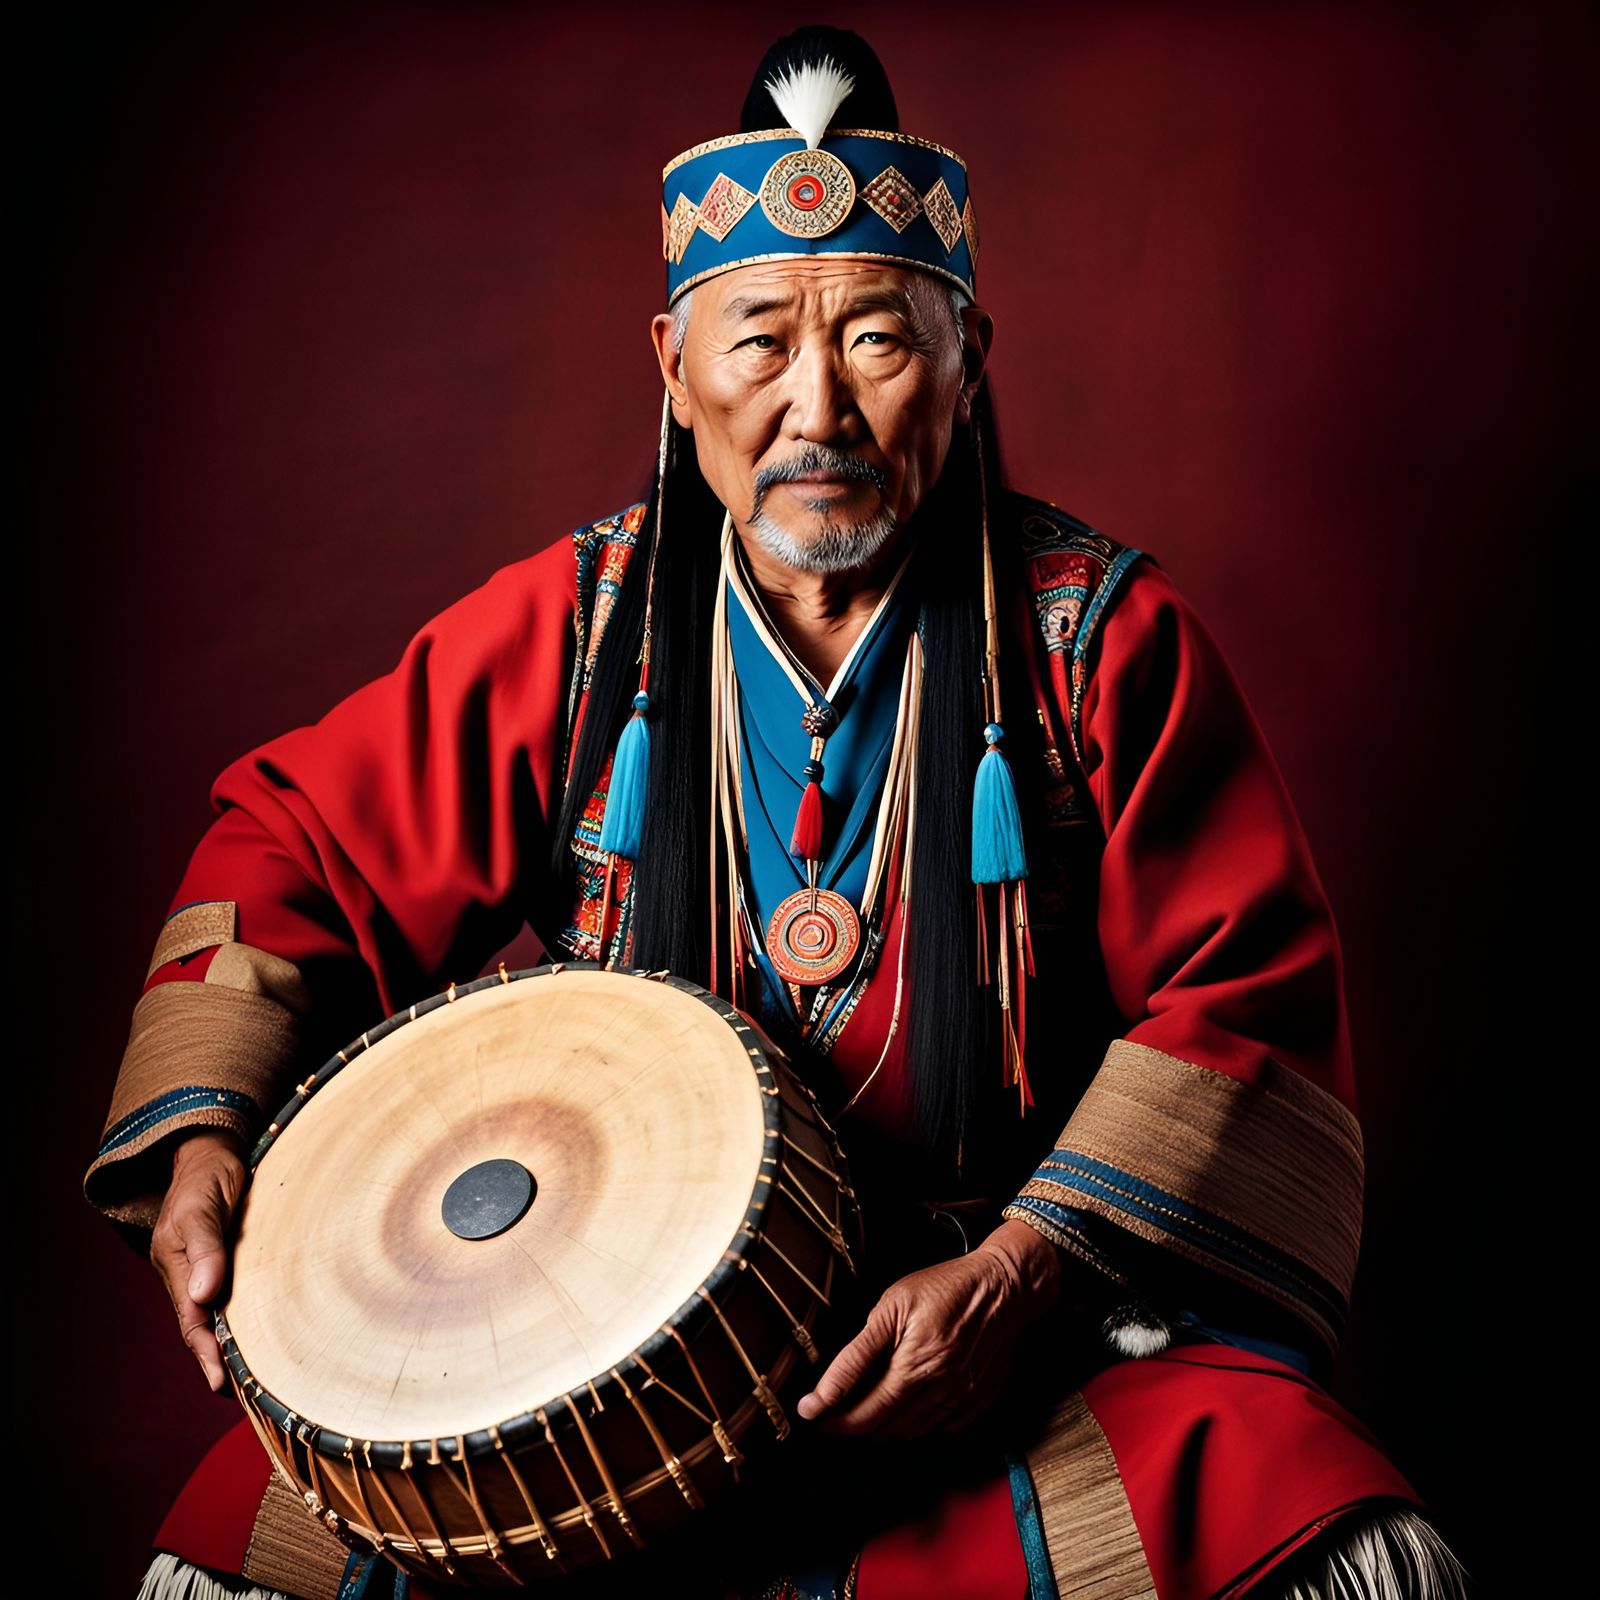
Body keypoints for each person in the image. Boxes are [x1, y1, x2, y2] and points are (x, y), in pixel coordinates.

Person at [87, 27, 1471, 1600]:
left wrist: (1018, 1271)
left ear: (969, 361)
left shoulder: (1100, 642)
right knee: (242, 1548)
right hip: (598, 1345)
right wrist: (202, 1132)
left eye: (880, 341)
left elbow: (1246, 999)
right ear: (675, 369)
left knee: (1334, 1535)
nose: (819, 406)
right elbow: (299, 848)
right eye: (759, 341)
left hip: (1008, 1333)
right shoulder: (579, 629)